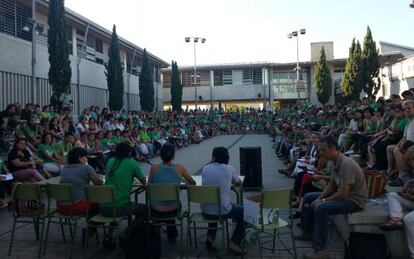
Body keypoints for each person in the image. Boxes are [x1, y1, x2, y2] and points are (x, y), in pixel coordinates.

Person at [296, 136, 368, 259]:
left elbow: (343, 195)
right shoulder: (332, 161)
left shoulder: (346, 164)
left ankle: (321, 250)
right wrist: (320, 197)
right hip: (345, 196)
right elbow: (332, 184)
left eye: (323, 150)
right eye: (320, 150)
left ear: (333, 148)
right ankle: (308, 232)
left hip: (355, 200)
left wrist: (322, 200)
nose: (320, 153)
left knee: (321, 208)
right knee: (308, 197)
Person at [101, 142, 147, 248]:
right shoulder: (132, 163)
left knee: (115, 205)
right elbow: (144, 181)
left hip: (103, 207)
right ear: (129, 152)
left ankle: (109, 236)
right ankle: (128, 235)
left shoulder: (110, 161)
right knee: (146, 210)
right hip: (120, 207)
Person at [201, 147, 245, 255]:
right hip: (222, 211)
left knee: (214, 204)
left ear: (213, 157)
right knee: (245, 212)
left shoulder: (205, 168)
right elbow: (239, 183)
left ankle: (210, 239)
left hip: (205, 211)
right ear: (227, 157)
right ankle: (234, 243)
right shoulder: (229, 168)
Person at [148, 143, 195, 242]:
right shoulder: (180, 168)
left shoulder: (154, 168)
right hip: (173, 208)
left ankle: (157, 231)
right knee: (172, 203)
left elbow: (149, 186)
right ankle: (171, 232)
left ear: (160, 155)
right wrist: (182, 184)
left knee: (161, 202)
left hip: (155, 208)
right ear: (173, 156)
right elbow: (193, 183)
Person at [58, 148, 103, 215]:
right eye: (85, 157)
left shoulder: (65, 168)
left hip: (61, 208)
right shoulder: (86, 168)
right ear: (80, 158)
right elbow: (99, 183)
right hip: (76, 207)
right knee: (100, 198)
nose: (87, 159)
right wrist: (100, 177)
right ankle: (93, 222)